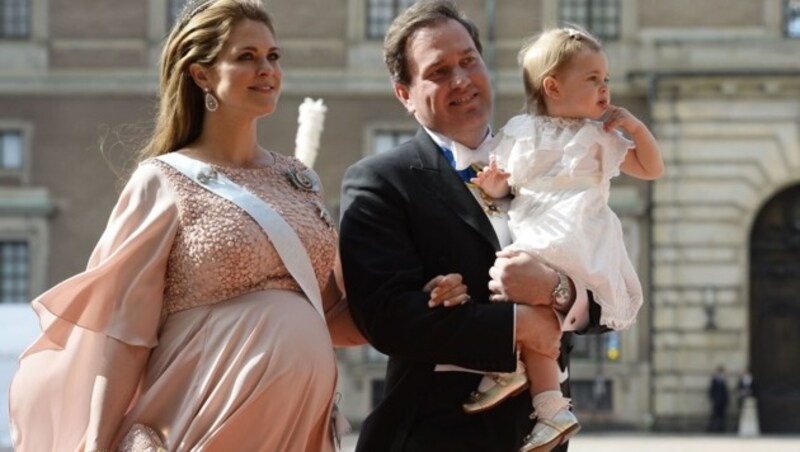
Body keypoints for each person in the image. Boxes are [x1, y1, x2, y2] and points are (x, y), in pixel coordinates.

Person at [7, 1, 390, 450]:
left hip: (297, 428)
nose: (266, 69)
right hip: (199, 419)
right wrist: (96, 441)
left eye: (273, 56)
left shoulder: (300, 181)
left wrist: (417, 290)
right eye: (246, 56)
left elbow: (333, 320)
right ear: (201, 74)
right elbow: (124, 335)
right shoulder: (162, 180)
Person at [339, 1, 610, 451]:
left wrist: (558, 291)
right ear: (404, 94)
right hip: (432, 435)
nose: (461, 80)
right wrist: (516, 325)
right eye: (439, 71)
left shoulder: (545, 161)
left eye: (468, 61)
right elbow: (385, 318)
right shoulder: (380, 180)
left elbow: (608, 283)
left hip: (538, 436)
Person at [458, 26, 664, 448]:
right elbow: (506, 190)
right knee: (526, 304)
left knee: (524, 293)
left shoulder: (599, 135)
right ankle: (549, 406)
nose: (605, 88)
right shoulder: (521, 130)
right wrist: (494, 184)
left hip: (572, 232)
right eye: (593, 79)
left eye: (605, 79)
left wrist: (637, 130)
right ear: (553, 86)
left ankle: (530, 386)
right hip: (535, 223)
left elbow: (650, 168)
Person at [708, 365, 730, 432]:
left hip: (723, 400)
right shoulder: (715, 380)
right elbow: (711, 390)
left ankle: (721, 429)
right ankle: (712, 428)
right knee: (715, 415)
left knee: (722, 415)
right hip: (716, 400)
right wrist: (713, 398)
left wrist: (727, 400)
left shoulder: (724, 380)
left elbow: (726, 392)